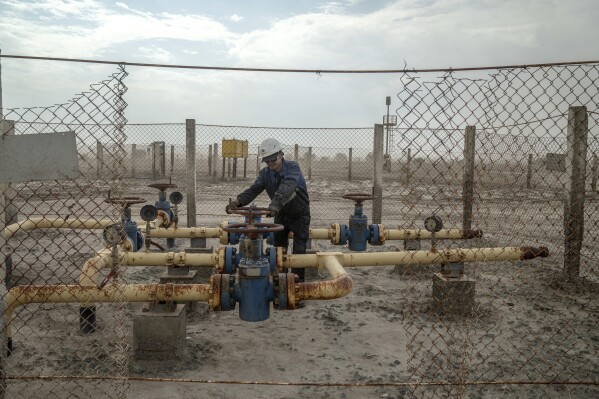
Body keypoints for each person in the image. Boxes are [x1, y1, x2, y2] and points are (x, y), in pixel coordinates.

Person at [225, 138, 311, 282]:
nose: (271, 164)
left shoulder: (293, 167)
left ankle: (297, 286)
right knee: (279, 250)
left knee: (299, 251)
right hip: (281, 214)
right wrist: (238, 202)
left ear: (281, 154)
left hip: (299, 214)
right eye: (267, 161)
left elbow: (288, 186)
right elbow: (254, 190)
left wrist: (275, 204)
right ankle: (281, 283)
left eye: (273, 160)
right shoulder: (265, 173)